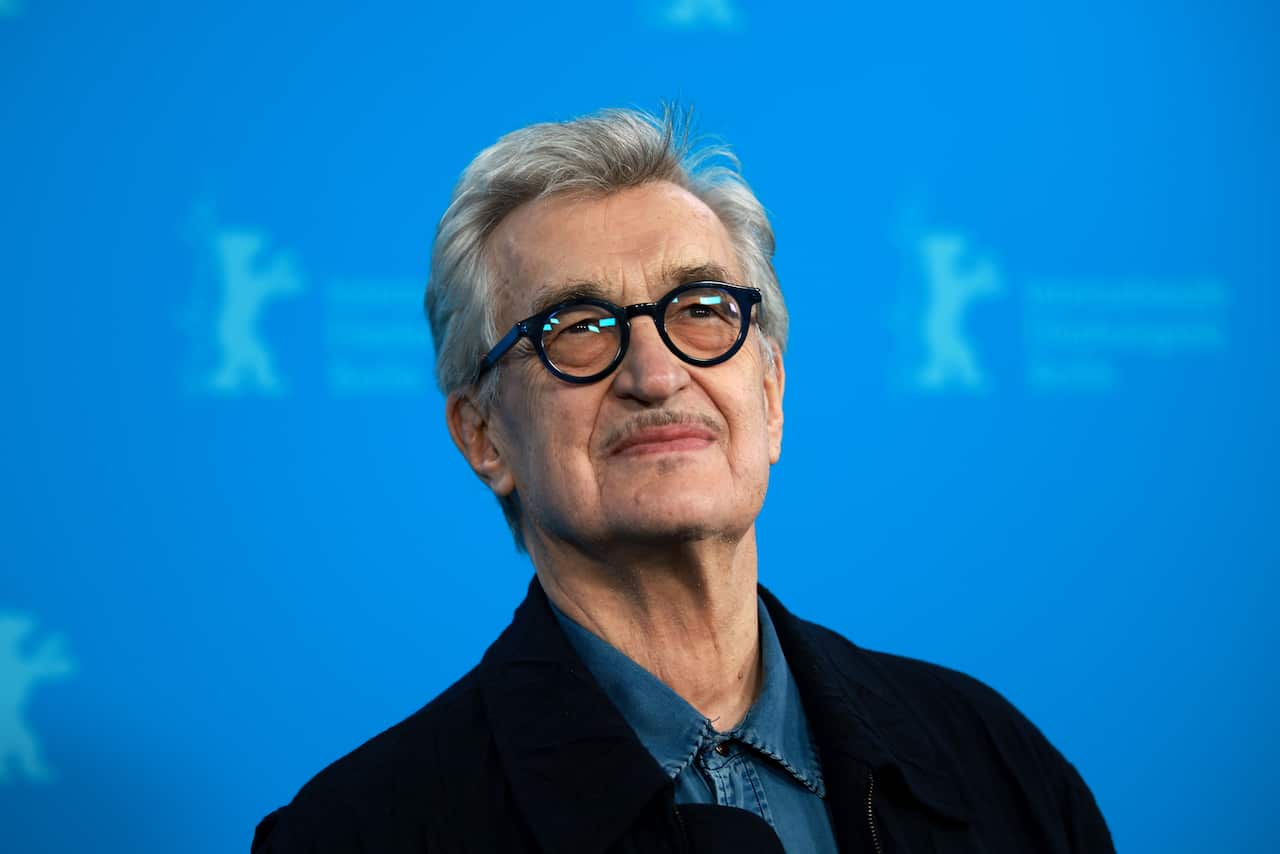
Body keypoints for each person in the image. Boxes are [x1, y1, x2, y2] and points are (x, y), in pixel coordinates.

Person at [251, 107, 1115, 853]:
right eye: (579, 325)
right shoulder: (356, 833)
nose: (656, 374)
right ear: (484, 437)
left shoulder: (996, 763)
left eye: (701, 310)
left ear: (770, 395)